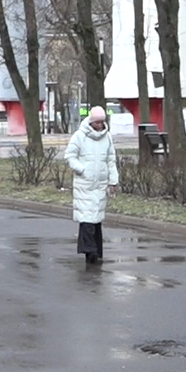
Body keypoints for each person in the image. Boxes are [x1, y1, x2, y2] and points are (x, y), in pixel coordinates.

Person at [66, 105, 120, 265]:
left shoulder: (107, 137)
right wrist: (82, 169)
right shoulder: (79, 136)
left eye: (102, 122)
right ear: (91, 121)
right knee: (87, 220)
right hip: (84, 184)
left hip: (100, 184)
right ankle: (91, 252)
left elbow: (111, 160)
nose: (99, 125)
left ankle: (95, 251)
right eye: (97, 122)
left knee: (96, 220)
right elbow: (70, 156)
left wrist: (113, 180)